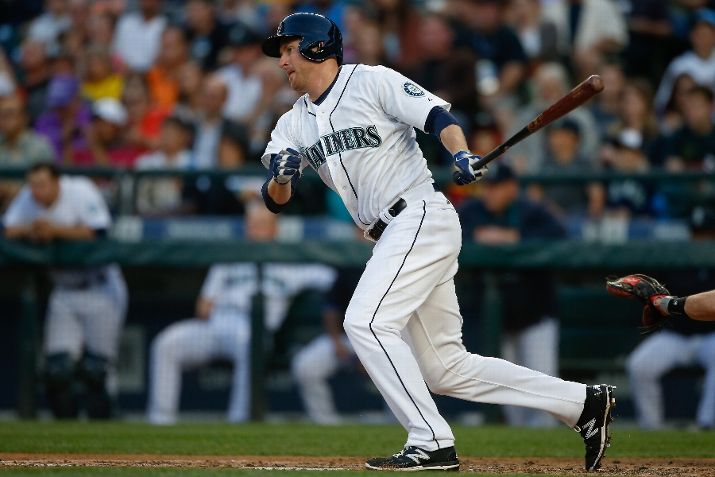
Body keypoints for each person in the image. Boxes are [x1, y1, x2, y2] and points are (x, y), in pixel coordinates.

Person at [260, 12, 615, 472]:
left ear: (315, 47)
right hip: (390, 234)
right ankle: (583, 403)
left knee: (365, 322)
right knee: (445, 369)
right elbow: (275, 201)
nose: (282, 61)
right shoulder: (292, 123)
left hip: (418, 216)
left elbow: (437, 116)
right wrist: (281, 178)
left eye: (288, 49)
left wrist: (461, 153)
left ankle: (430, 441)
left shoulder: (371, 81)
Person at [147, 202, 335, 424]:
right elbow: (203, 305)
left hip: (253, 329)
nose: (255, 230)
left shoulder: (291, 263)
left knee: (249, 344)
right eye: (252, 224)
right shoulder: (230, 257)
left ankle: (240, 419)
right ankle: (161, 420)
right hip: (215, 324)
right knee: (166, 344)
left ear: (274, 229)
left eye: (261, 225)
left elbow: (333, 276)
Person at [3, 162, 128, 419]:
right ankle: (64, 435)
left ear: (57, 182)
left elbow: (99, 231)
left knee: (97, 371)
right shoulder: (29, 198)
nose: (36, 191)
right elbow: (6, 229)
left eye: (42, 185)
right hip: (63, 290)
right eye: (32, 185)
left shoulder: (80, 190)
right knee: (57, 371)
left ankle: (104, 429)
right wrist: (31, 229)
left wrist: (55, 231)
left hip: (100, 287)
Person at [458, 163, 567, 427]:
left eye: (496, 187)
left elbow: (560, 238)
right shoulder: (472, 211)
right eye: (487, 187)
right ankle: (524, 449)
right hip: (495, 321)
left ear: (512, 188)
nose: (490, 193)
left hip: (535, 316)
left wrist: (514, 237)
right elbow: (450, 234)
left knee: (543, 389)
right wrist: (478, 236)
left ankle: (547, 447)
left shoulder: (532, 211)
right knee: (510, 395)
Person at [607, 272, 715, 430]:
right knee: (639, 365)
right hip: (675, 335)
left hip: (711, 336)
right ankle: (651, 427)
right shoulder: (676, 265)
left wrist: (663, 303)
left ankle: (707, 424)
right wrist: (660, 302)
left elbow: (710, 304)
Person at [292, 266, 362, 424]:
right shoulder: (349, 269)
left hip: (386, 339)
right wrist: (336, 342)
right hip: (346, 338)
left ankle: (400, 424)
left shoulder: (396, 264)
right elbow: (332, 310)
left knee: (401, 371)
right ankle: (325, 422)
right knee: (305, 367)